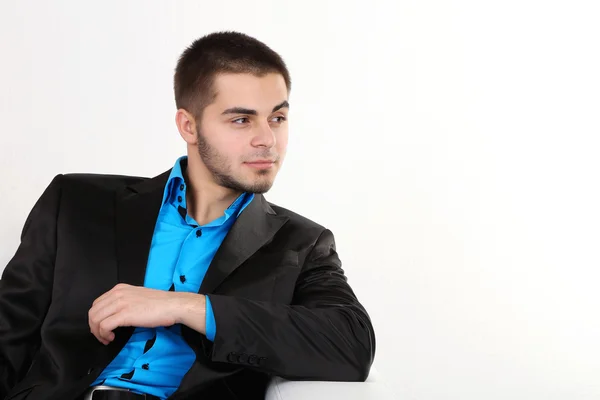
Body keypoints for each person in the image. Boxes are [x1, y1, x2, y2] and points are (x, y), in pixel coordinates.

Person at [0, 31, 375, 400]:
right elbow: (9, 332)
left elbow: (351, 344)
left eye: (277, 118)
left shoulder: (301, 243)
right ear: (188, 126)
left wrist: (185, 306)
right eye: (242, 120)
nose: (268, 140)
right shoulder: (78, 203)